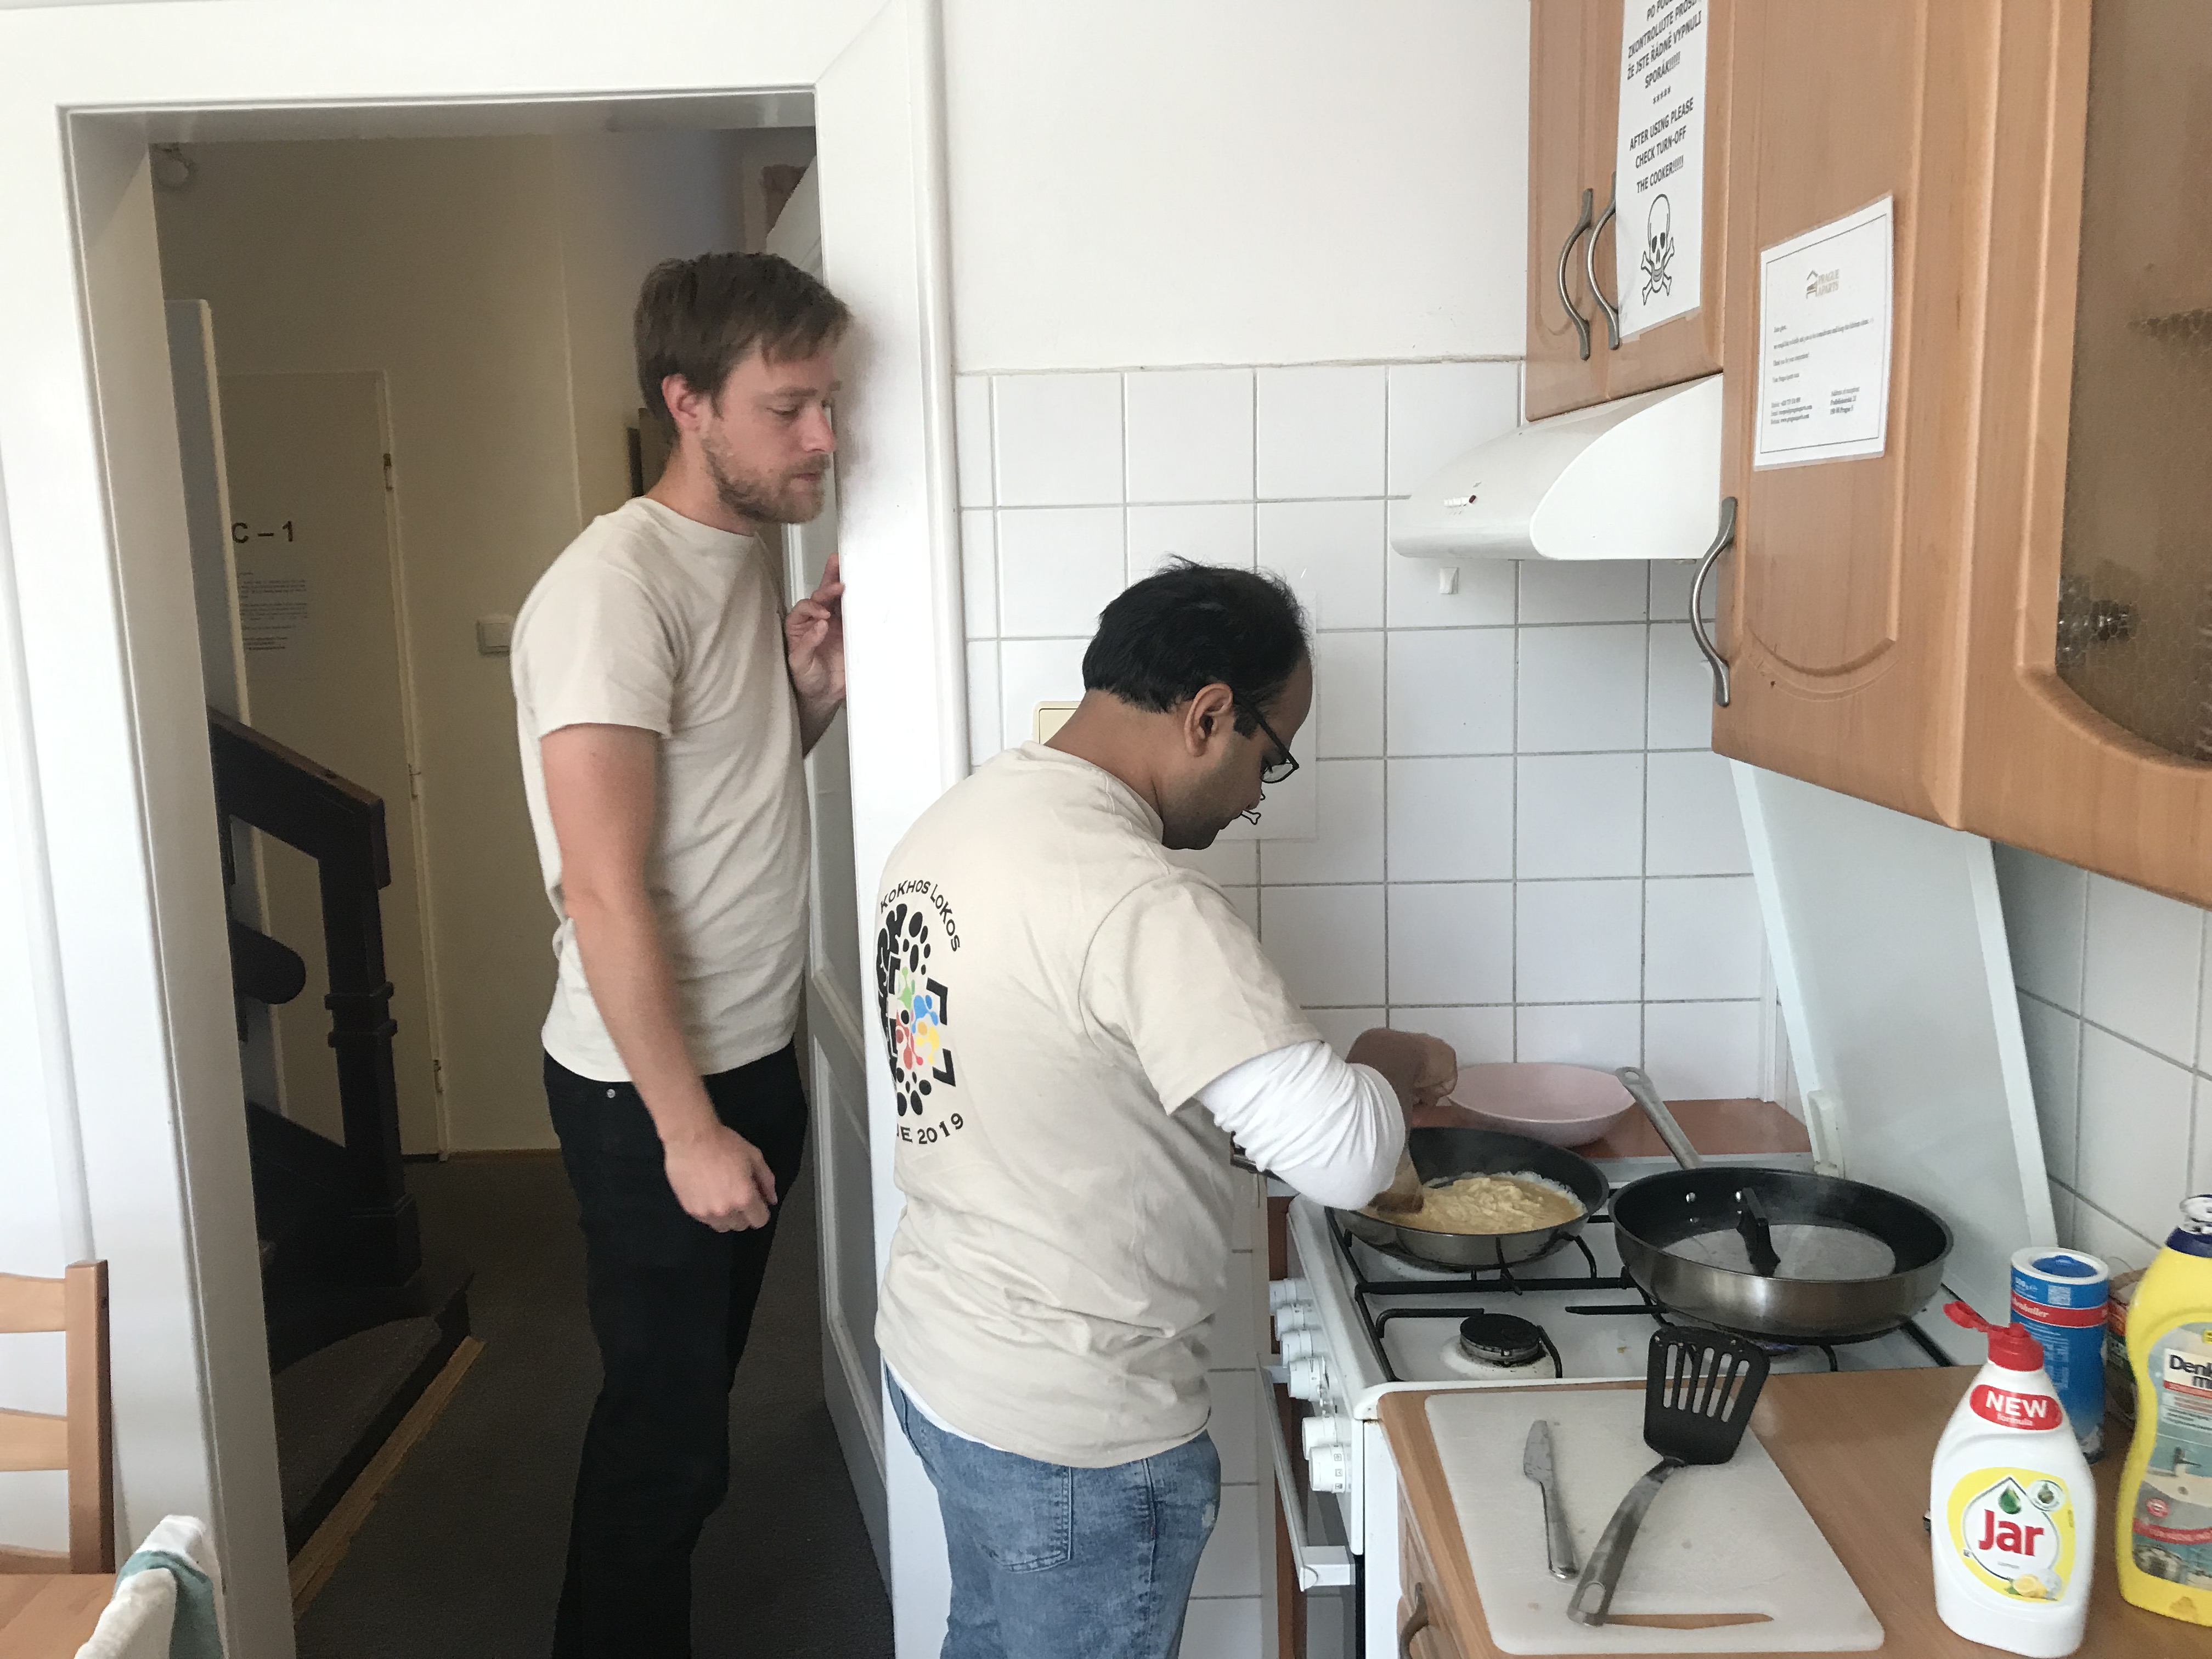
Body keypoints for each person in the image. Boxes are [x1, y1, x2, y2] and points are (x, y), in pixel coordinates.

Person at [873, 561, 1458, 1659]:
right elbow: (1344, 1156)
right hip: (1073, 1431)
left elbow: (1057, 1074)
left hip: (944, 1359)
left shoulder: (956, 824)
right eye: (1268, 760)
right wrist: (1387, 1065)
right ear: (1208, 715)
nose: (1250, 799)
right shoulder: (1137, 897)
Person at [509, 250, 851, 1657]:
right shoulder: (611, 587)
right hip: (650, 1091)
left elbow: (710, 811)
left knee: (688, 1414)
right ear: (687, 402)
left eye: (828, 400)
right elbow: (603, 891)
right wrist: (687, 1128)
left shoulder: (739, 552)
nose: (825, 437)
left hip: (744, 1061)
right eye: (789, 408)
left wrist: (803, 705)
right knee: (667, 1444)